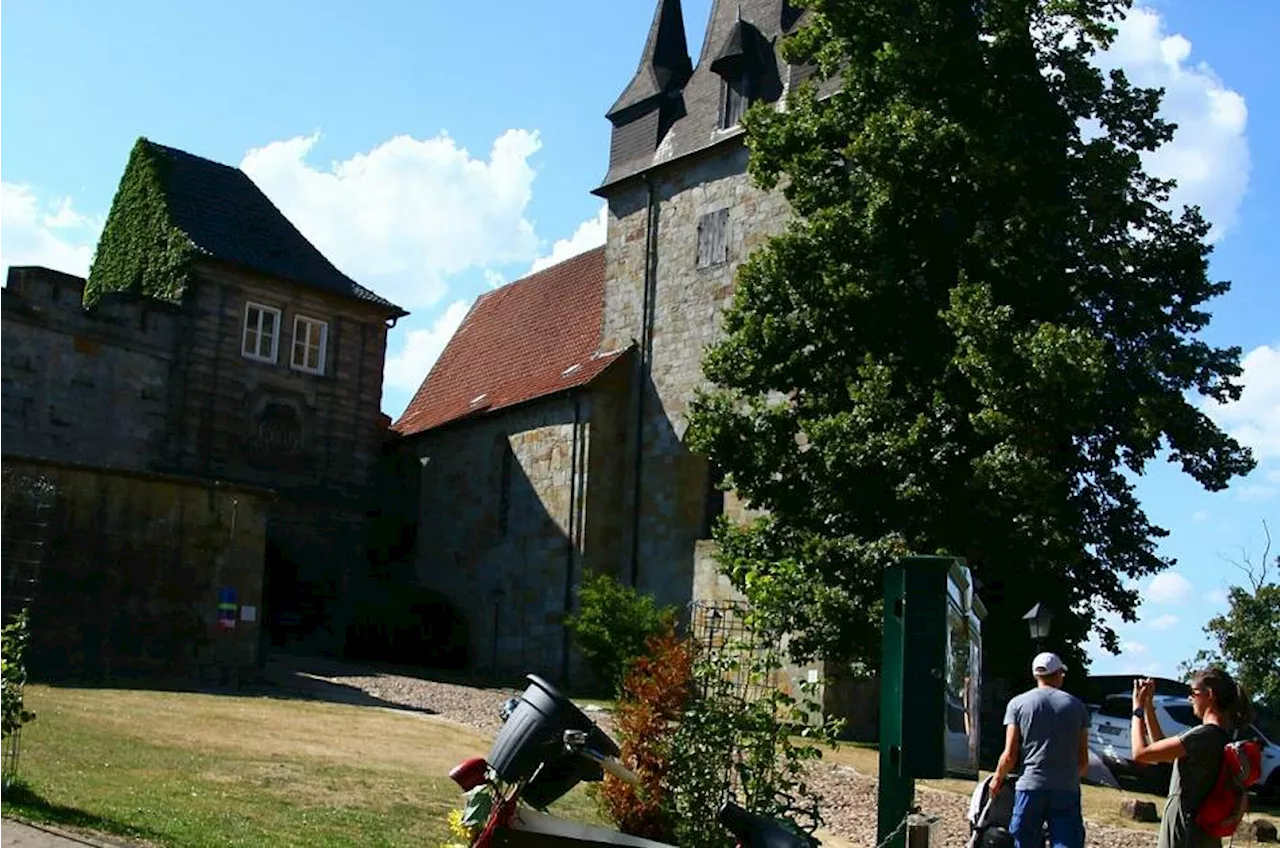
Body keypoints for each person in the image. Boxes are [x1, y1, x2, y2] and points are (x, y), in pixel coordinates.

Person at [1130, 668, 1255, 848]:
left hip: (1185, 832)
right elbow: (1160, 749)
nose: (1190, 699)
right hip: (1203, 835)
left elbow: (1141, 754)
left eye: (1193, 693)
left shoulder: (1204, 735)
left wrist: (1137, 711)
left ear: (1209, 694)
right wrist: (1149, 705)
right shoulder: (1220, 735)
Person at [991, 652, 1090, 848]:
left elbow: (1010, 754)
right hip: (1066, 787)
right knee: (1066, 841)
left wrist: (997, 778)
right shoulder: (1077, 706)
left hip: (1030, 784)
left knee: (1024, 839)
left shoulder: (1018, 704)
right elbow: (1083, 760)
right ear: (1058, 673)